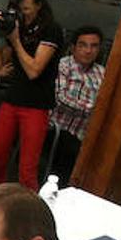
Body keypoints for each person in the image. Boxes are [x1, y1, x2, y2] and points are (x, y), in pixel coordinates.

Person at [0, 0, 62, 191]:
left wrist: (15, 40)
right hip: (12, 98)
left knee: (27, 168)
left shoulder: (51, 29)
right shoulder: (16, 23)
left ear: (39, 5)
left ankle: (30, 213)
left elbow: (34, 70)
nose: (23, 13)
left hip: (36, 104)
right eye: (20, 9)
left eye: (27, 9)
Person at [50, 26, 106, 183]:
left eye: (94, 46)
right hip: (58, 129)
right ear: (73, 47)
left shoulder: (102, 73)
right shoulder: (63, 65)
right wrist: (92, 109)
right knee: (72, 151)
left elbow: (106, 105)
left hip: (87, 134)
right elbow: (60, 99)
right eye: (83, 45)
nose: (88, 51)